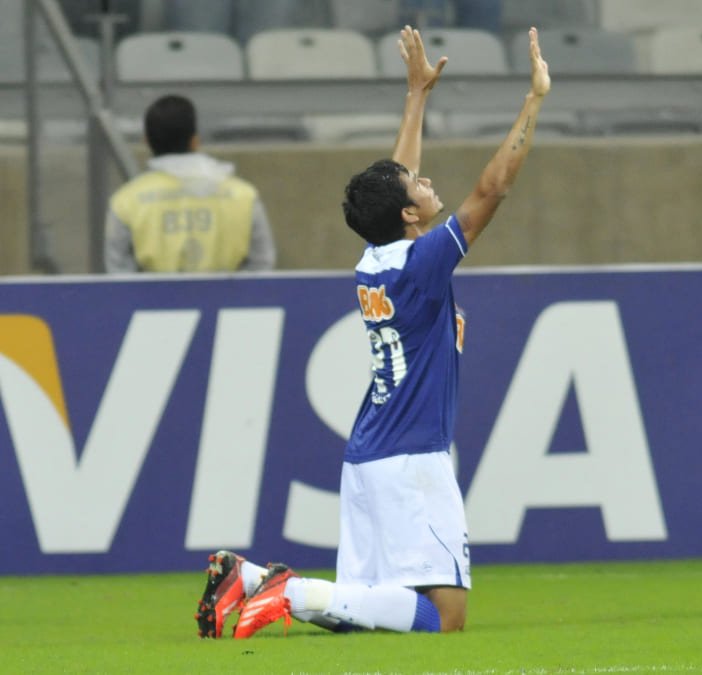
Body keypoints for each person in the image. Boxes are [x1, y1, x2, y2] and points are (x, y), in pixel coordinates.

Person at [194, 24, 551, 639]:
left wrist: (416, 95)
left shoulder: (376, 257)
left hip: (369, 457)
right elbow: (493, 188)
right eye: (419, 186)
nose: (426, 180)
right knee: (445, 619)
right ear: (410, 213)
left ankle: (250, 580)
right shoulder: (420, 261)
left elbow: (396, 178)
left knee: (371, 608)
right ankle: (289, 591)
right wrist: (534, 99)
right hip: (412, 460)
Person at [105, 94, 276, 273]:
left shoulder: (126, 201)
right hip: (228, 299)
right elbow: (261, 266)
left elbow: (120, 276)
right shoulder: (243, 196)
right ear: (195, 140)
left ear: (147, 141)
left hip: (154, 301)